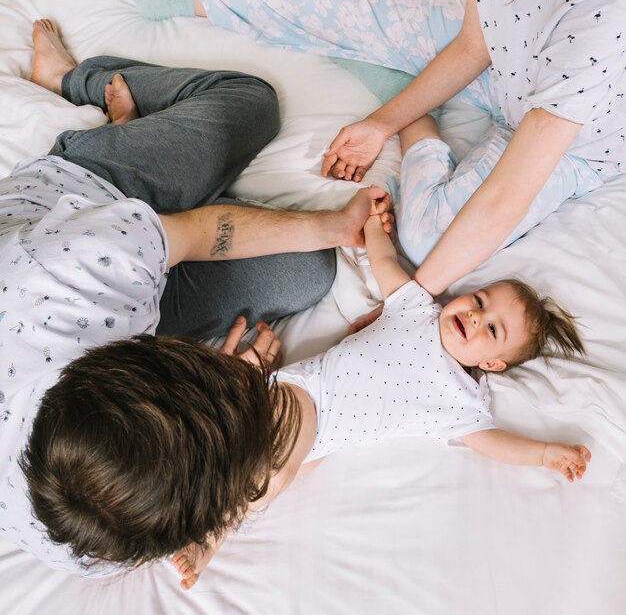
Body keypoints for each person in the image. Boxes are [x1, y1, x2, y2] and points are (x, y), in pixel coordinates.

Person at [21, 180, 590, 590]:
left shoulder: (461, 403)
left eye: (493, 331)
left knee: (270, 481)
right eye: (481, 300)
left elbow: (488, 441)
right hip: (303, 396)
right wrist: (371, 225)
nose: (474, 314)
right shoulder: (419, 307)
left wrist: (542, 453)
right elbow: (385, 262)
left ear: (492, 366)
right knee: (268, 475)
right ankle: (215, 532)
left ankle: (216, 531)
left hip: (321, 435)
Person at [0, 19, 391, 575]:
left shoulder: (75, 271)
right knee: (307, 274)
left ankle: (76, 81)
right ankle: (153, 162)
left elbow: (203, 232)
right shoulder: (98, 540)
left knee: (252, 103)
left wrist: (336, 225)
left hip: (85, 197)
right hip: (127, 272)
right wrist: (222, 391)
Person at [193, 0, 626, 293]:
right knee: (350, 12)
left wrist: (407, 306)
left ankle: (420, 126)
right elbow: (473, 45)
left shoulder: (605, 11)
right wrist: (380, 124)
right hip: (508, 75)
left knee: (427, 243)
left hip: (570, 144)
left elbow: (510, 193)